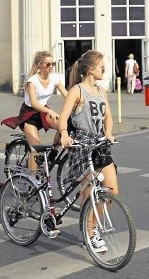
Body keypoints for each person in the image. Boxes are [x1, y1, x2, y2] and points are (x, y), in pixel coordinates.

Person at [58, 50, 117, 252]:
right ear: (91, 70)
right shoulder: (77, 90)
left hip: (100, 144)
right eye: (101, 66)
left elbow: (108, 116)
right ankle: (90, 233)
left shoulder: (101, 91)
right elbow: (63, 116)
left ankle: (92, 228)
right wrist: (65, 134)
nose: (104, 69)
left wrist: (108, 132)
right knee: (90, 191)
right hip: (82, 145)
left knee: (111, 192)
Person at [1, 51, 68, 171]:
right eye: (48, 64)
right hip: (29, 114)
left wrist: (79, 105)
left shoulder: (54, 78)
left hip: (43, 112)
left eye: (53, 63)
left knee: (63, 126)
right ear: (39, 65)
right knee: (35, 150)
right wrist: (51, 111)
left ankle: (53, 152)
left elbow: (67, 96)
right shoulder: (32, 80)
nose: (51, 66)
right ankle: (33, 182)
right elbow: (34, 103)